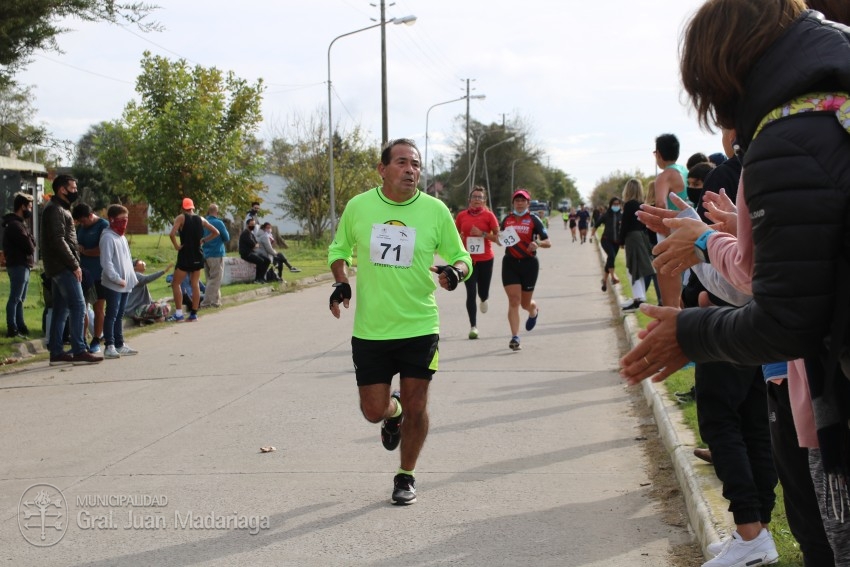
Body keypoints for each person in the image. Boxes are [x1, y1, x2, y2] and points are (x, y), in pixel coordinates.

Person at [620, 2, 850, 565]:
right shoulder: (830, 108)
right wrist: (712, 236)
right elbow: (791, 268)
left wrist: (691, 331)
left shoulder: (790, 132)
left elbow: (788, 317)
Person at [327, 138, 471, 505]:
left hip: (420, 325)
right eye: (402, 162)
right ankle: (394, 412)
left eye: (416, 164)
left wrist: (455, 272)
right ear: (382, 169)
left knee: (418, 404)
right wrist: (341, 281)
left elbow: (461, 256)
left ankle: (406, 475)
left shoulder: (435, 210)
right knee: (373, 411)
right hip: (371, 330)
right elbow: (339, 249)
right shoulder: (359, 206)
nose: (411, 170)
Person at [41, 175, 102, 366]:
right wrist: (74, 265)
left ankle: (56, 353)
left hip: (59, 266)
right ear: (62, 189)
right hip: (63, 267)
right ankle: (79, 350)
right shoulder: (55, 209)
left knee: (61, 310)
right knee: (78, 306)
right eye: (73, 188)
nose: (76, 191)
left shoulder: (59, 208)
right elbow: (58, 240)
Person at [499, 188, 551, 351]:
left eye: (523, 200)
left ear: (528, 203)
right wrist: (489, 236)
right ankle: (515, 337)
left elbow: (548, 242)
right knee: (514, 300)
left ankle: (533, 310)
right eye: (517, 200)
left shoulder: (534, 220)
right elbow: (500, 239)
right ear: (513, 203)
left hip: (529, 265)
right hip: (510, 263)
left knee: (524, 304)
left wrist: (538, 243)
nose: (520, 203)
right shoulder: (507, 219)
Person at [454, 186, 500, 339]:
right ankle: (473, 326)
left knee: (483, 292)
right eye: (474, 197)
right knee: (471, 292)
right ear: (469, 199)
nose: (477, 200)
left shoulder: (489, 216)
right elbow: (454, 235)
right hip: (468, 260)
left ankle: (484, 298)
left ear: (484, 200)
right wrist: (459, 239)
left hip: (486, 259)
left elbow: (499, 239)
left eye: (480, 197)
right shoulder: (461, 216)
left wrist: (483, 234)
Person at [168, 198, 219, 322]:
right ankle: (194, 314)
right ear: (193, 207)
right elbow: (216, 232)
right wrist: (204, 240)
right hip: (198, 254)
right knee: (195, 283)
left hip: (185, 254)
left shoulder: (181, 218)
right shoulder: (201, 219)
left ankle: (179, 314)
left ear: (183, 208)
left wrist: (176, 246)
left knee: (176, 283)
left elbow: (172, 234)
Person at [99, 205, 138, 359]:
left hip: (125, 283)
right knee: (112, 314)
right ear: (112, 219)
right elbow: (106, 262)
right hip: (114, 284)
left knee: (120, 314)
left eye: (126, 219)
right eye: (121, 219)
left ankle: (119, 344)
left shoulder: (121, 237)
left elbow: (127, 259)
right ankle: (109, 345)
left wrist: (131, 277)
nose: (124, 223)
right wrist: (116, 278)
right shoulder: (108, 237)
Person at [72, 203, 109, 353]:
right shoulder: (81, 228)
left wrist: (85, 251)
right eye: (79, 222)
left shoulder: (103, 226)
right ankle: (81, 341)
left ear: (90, 215)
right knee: (83, 308)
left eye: (83, 221)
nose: (82, 224)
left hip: (99, 273)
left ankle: (97, 338)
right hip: (83, 273)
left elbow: (102, 249)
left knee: (98, 308)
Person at [619, 180, 657, 311]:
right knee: (637, 269)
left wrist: (620, 241)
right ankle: (639, 298)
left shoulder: (629, 204)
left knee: (632, 268)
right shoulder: (641, 205)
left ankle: (638, 298)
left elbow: (624, 225)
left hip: (632, 237)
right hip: (641, 236)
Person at [3, 192, 35, 339]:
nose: (30, 210)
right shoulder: (15, 226)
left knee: (21, 298)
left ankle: (21, 325)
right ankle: (12, 328)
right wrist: (30, 240)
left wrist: (30, 240)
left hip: (23, 265)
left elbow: (31, 243)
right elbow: (30, 247)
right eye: (29, 207)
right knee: (15, 298)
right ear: (23, 206)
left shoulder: (21, 224)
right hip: (18, 264)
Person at [591, 196, 623, 298]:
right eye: (614, 204)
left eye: (618, 204)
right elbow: (596, 224)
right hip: (606, 240)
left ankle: (604, 280)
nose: (616, 206)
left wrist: (622, 242)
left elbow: (623, 229)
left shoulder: (621, 215)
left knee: (610, 259)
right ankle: (613, 277)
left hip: (616, 242)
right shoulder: (606, 215)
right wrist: (592, 235)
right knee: (611, 256)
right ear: (610, 205)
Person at [200, 203, 230, 309]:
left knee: (210, 279)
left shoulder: (203, 222)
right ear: (217, 212)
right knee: (215, 279)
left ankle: (216, 301)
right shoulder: (218, 223)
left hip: (205, 253)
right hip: (217, 253)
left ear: (208, 211)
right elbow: (226, 238)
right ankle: (206, 303)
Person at [126, 259, 172, 324]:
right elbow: (147, 278)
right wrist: (163, 271)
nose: (144, 264)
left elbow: (147, 299)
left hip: (142, 307)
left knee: (166, 305)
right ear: (134, 267)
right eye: (141, 263)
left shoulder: (138, 276)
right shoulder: (134, 275)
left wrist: (154, 302)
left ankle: (153, 319)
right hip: (135, 309)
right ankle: (158, 318)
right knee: (157, 308)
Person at [239, 217, 270, 284]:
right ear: (247, 225)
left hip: (252, 252)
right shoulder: (245, 234)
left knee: (267, 260)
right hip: (246, 254)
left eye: (254, 225)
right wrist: (255, 245)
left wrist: (255, 245)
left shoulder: (251, 234)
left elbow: (257, 244)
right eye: (251, 225)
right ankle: (257, 279)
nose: (252, 226)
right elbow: (253, 244)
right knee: (260, 261)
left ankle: (262, 278)